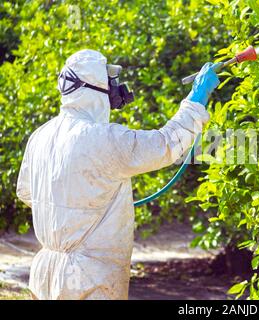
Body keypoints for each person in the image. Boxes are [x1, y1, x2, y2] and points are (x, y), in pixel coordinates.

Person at [16, 49, 219, 300]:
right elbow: (166, 144)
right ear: (94, 87)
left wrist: (78, 205)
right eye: (109, 81)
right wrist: (196, 98)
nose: (115, 89)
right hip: (90, 279)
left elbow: (26, 192)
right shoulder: (104, 138)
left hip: (46, 274)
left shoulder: (40, 136)